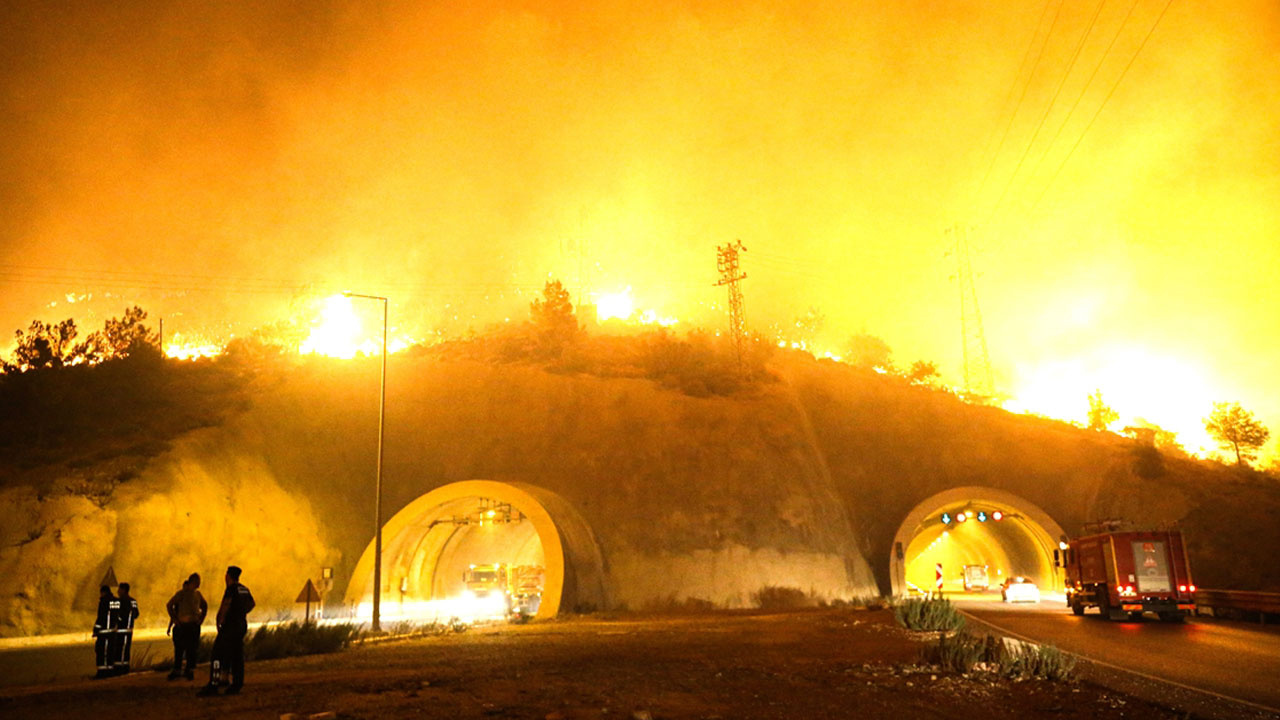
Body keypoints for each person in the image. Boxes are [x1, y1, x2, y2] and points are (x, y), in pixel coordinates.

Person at [197, 566, 255, 697]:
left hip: (230, 626)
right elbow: (252, 604)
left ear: (228, 576)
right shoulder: (244, 589)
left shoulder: (231, 589)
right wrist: (241, 612)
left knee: (217, 655)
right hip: (241, 625)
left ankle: (213, 684)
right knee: (237, 655)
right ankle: (237, 684)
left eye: (226, 574)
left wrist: (220, 621)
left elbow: (225, 606)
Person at [166, 573, 208, 680]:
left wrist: (201, 619)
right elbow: (169, 605)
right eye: (198, 581)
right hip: (182, 625)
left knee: (192, 649)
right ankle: (177, 670)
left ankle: (189, 670)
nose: (199, 583)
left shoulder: (198, 594)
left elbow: (205, 605)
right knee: (179, 649)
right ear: (193, 581)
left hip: (193, 625)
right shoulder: (182, 594)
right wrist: (175, 620)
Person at [109, 582, 140, 676]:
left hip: (121, 629)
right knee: (126, 649)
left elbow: (116, 614)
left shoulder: (120, 601)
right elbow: (137, 614)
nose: (118, 591)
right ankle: (125, 667)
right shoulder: (133, 601)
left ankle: (119, 669)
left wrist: (119, 620)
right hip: (129, 629)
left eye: (119, 589)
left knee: (119, 649)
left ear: (123, 590)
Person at [92, 585, 116, 679]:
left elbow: (101, 617)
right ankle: (110, 671)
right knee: (110, 652)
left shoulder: (104, 602)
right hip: (113, 632)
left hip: (103, 632)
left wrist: (96, 629)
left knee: (101, 652)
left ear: (103, 592)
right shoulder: (116, 601)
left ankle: (101, 673)